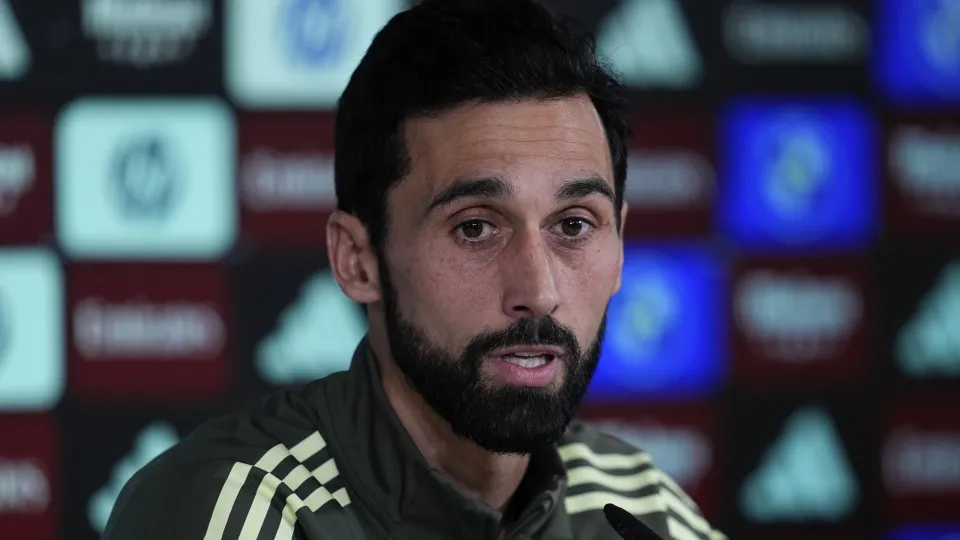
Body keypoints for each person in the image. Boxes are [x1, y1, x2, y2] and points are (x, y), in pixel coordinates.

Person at [104, 0, 727, 538]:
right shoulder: (233, 512)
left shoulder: (638, 503)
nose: (539, 291)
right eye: (475, 227)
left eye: (573, 225)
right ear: (358, 260)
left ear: (619, 246)